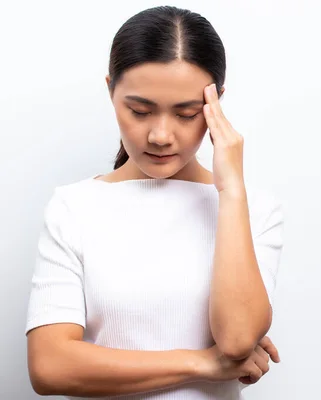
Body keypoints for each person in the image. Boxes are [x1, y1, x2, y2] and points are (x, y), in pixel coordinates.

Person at [24, 5, 284, 399]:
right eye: (140, 111)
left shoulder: (254, 211)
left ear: (216, 104)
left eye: (186, 114)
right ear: (111, 90)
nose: (161, 135)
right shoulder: (74, 208)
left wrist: (230, 191)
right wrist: (203, 363)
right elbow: (50, 366)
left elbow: (235, 340)